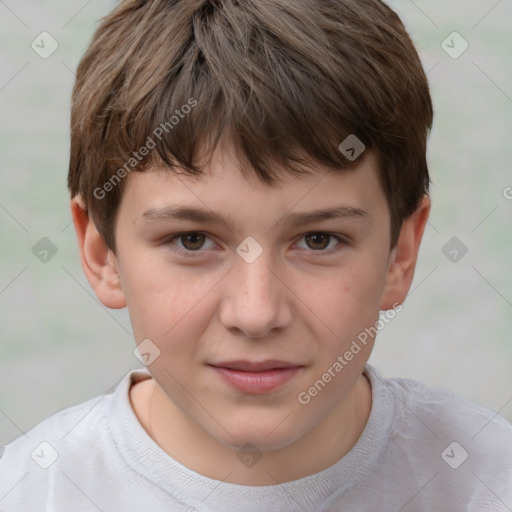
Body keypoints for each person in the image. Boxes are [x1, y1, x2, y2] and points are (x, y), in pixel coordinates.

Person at [1, 0, 511, 510]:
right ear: (101, 253)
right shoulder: (29, 492)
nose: (256, 313)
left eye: (318, 240)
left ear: (400, 253)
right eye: (192, 240)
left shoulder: (487, 481)